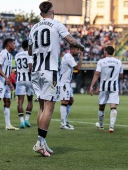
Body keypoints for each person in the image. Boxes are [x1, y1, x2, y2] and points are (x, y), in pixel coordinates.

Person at [28, 1, 84, 157]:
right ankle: (40, 142)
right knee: (49, 108)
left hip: (37, 70)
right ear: (53, 11)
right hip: (49, 70)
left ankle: (42, 142)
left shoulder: (34, 28)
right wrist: (82, 47)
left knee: (41, 107)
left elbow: (30, 50)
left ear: (40, 14)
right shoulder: (56, 24)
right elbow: (72, 41)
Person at [89, 46, 123, 133]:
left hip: (104, 86)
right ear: (113, 52)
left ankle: (101, 125)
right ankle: (111, 127)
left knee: (101, 106)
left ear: (105, 52)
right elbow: (121, 75)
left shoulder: (101, 61)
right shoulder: (118, 62)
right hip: (114, 86)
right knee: (113, 106)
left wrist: (92, 86)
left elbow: (97, 74)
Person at [59, 45, 83, 130]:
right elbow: (78, 68)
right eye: (77, 49)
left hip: (67, 82)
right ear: (72, 49)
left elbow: (76, 70)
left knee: (71, 100)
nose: (78, 51)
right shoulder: (68, 57)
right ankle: (63, 123)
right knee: (65, 101)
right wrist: (81, 58)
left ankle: (65, 121)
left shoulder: (69, 57)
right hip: (64, 82)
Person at [15, 40, 34, 128]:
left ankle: (22, 121)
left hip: (20, 79)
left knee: (20, 102)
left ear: (22, 46)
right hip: (29, 79)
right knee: (30, 100)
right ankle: (27, 120)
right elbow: (31, 67)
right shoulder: (30, 54)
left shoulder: (17, 55)